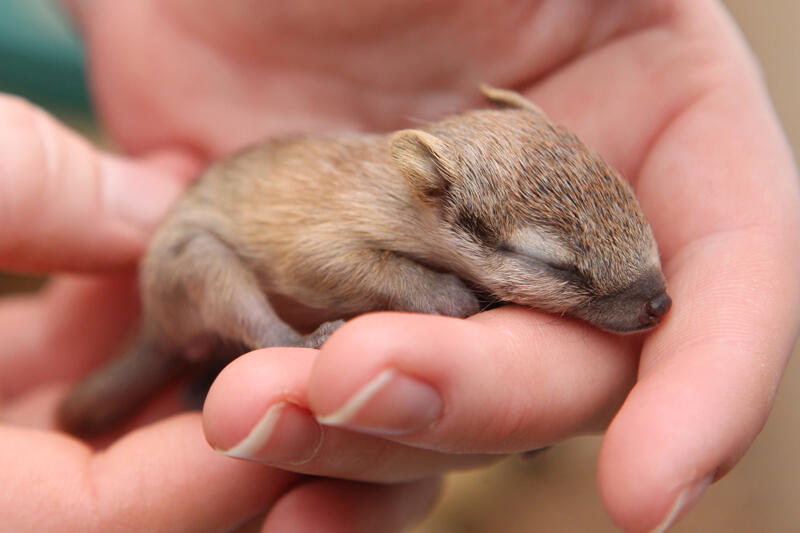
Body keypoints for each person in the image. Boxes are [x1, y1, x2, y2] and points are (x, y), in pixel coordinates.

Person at [1, 1, 798, 531]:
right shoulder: (378, 215)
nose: (645, 303)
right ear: (434, 195)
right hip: (205, 263)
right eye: (563, 269)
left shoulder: (450, 198)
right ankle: (254, 345)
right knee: (208, 261)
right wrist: (425, 295)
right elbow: (314, 260)